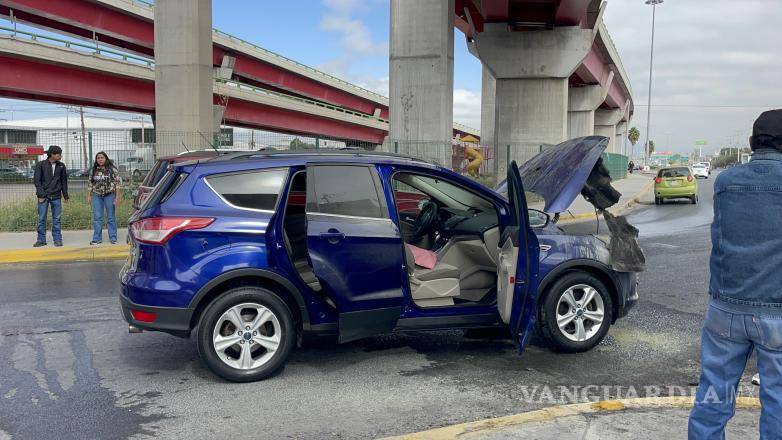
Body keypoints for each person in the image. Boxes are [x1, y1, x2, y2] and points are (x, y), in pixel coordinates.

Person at [688, 109, 782, 439]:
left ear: (752, 143)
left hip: (726, 309)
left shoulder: (726, 182)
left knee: (713, 396)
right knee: (778, 401)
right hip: (777, 312)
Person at [33, 145, 69, 247]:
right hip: (43, 197)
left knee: (57, 219)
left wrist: (65, 196)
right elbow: (37, 181)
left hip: (56, 196)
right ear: (52, 154)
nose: (60, 156)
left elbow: (64, 182)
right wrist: (41, 195)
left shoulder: (61, 166)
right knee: (41, 219)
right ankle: (41, 240)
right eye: (59, 154)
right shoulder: (41, 165)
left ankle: (57, 239)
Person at [86, 151, 121, 245]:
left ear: (106, 159)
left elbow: (117, 184)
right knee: (97, 217)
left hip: (109, 195)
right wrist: (88, 195)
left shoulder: (112, 169)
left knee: (111, 217)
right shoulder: (93, 170)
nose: (100, 159)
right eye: (98, 158)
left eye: (102, 158)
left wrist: (117, 197)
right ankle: (97, 239)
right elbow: (90, 183)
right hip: (96, 196)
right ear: (96, 160)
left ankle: (113, 237)